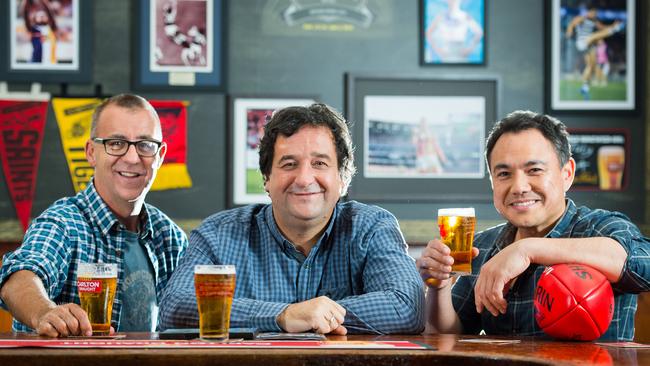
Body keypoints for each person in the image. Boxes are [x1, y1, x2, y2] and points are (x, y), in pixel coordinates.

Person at [160, 103, 424, 335]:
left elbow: (407, 306)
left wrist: (315, 315)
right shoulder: (217, 234)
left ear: (342, 179)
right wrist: (282, 315)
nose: (304, 179)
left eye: (319, 163)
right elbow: (174, 308)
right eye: (289, 164)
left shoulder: (372, 227)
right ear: (266, 179)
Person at [417, 110, 650, 341]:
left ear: (567, 174)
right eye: (504, 173)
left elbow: (643, 265)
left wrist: (526, 250)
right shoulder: (482, 247)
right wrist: (439, 288)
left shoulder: (600, 228)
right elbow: (446, 337)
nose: (519, 186)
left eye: (534, 170)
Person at [0, 94, 188, 337]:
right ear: (91, 152)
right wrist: (44, 312)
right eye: (116, 143)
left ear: (160, 156)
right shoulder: (63, 223)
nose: (132, 158)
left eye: (145, 145)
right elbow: (20, 278)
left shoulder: (171, 237)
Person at [565, 5, 624, 99]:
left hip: (589, 45)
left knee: (591, 65)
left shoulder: (594, 21)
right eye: (594, 12)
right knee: (595, 36)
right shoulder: (582, 18)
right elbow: (572, 23)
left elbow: (603, 27)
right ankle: (616, 29)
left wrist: (613, 24)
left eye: (596, 13)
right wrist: (569, 32)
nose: (595, 14)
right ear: (589, 12)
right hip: (582, 42)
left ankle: (584, 87)